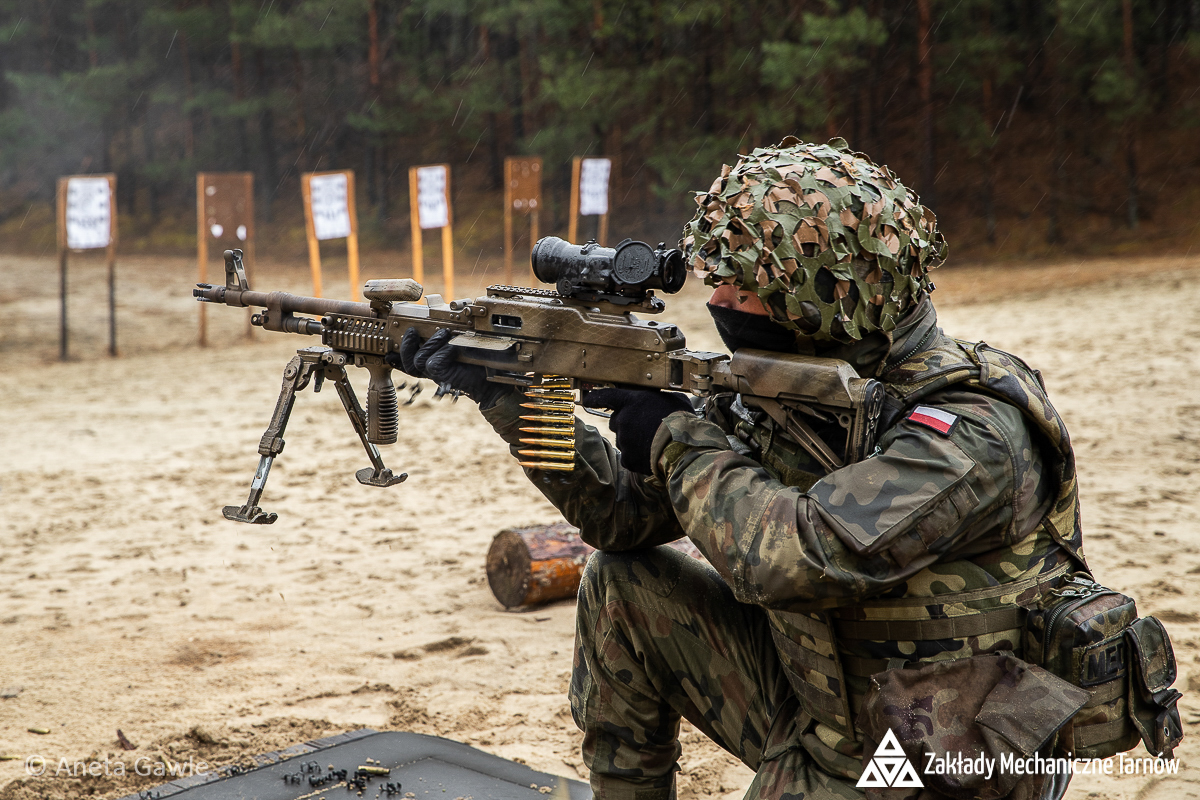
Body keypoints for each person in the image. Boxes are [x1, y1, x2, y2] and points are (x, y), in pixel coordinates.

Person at [392, 138, 1089, 800]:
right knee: (623, 584)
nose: (717, 303)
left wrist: (675, 437)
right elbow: (624, 519)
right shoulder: (780, 389)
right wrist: (509, 398)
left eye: (740, 286)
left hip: (948, 759)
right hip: (827, 706)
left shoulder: (970, 428)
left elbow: (797, 555)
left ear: (819, 295)